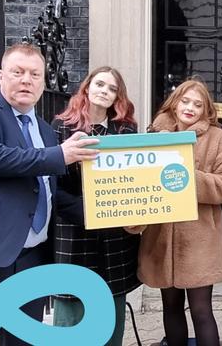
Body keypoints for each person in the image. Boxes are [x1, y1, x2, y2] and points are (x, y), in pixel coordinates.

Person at [0, 43, 99, 345]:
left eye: (35, 74)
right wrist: (61, 155)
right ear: (1, 76)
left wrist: (106, 212)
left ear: (43, 83)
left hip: (30, 261)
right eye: (18, 72)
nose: (26, 80)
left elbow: (49, 193)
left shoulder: (44, 131)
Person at [138, 79, 222, 346]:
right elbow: (137, 183)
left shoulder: (218, 138)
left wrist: (186, 178)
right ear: (175, 102)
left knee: (201, 310)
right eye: (185, 101)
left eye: (198, 104)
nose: (190, 108)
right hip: (161, 237)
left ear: (206, 110)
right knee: (170, 307)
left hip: (200, 240)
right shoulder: (153, 135)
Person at [50, 66, 142, 346]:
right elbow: (53, 185)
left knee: (111, 310)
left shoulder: (127, 130)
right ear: (87, 88)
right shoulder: (62, 127)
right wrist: (87, 212)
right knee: (71, 311)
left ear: (118, 96)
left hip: (114, 235)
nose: (104, 91)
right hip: (74, 230)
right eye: (100, 84)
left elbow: (135, 179)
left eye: (112, 88)